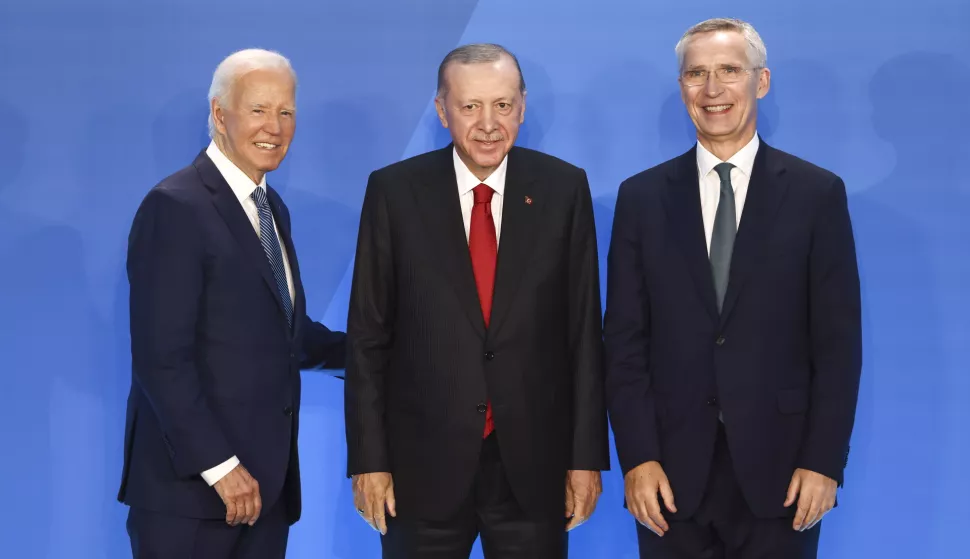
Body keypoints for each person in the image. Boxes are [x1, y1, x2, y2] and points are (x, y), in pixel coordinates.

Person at [604, 18, 862, 558]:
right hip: (670, 480)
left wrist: (823, 461)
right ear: (682, 89)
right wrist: (638, 459)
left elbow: (838, 346)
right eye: (697, 73)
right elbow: (624, 344)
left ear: (760, 81)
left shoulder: (817, 196)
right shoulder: (641, 199)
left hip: (785, 474)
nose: (713, 89)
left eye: (729, 71)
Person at [344, 43, 610, 558]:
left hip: (534, 472)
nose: (488, 124)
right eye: (470, 107)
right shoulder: (394, 193)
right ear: (442, 110)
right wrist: (369, 461)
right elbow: (367, 337)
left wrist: (585, 459)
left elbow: (582, 334)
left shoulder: (563, 189)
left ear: (523, 107)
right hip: (420, 472)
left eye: (503, 105)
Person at [118, 48, 346, 558]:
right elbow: (161, 358)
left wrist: (375, 350)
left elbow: (283, 333)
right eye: (258, 110)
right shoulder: (175, 206)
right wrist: (221, 468)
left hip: (264, 493)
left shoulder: (269, 207)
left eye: (286, 112)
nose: (275, 126)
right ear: (220, 115)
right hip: (193, 498)